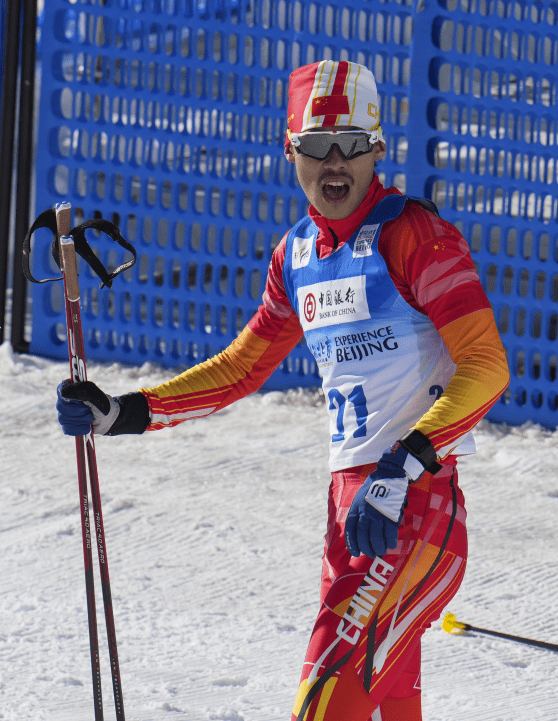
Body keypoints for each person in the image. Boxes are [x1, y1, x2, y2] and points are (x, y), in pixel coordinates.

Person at [57, 60, 510, 721]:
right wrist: (123, 411)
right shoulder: (296, 254)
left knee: (324, 709)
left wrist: (405, 460)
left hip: (413, 515)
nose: (336, 162)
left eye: (353, 145)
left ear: (379, 149)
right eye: (316, 145)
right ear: (289, 148)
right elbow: (244, 366)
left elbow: (487, 365)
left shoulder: (415, 237)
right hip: (351, 516)